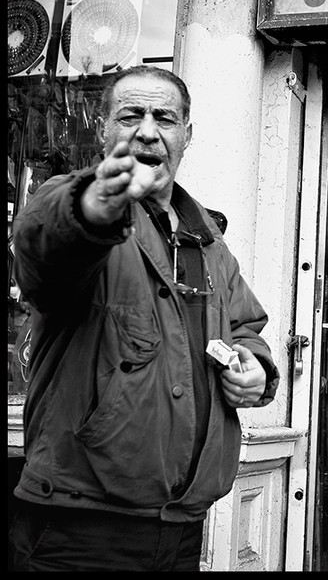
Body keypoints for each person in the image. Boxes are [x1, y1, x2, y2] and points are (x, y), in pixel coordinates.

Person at [8, 65, 280, 571]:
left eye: (166, 118)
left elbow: (245, 326)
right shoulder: (76, 203)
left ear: (187, 136)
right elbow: (45, 248)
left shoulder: (209, 241)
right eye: (131, 115)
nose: (148, 131)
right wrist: (92, 206)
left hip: (181, 525)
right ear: (104, 127)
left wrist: (256, 367)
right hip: (80, 528)